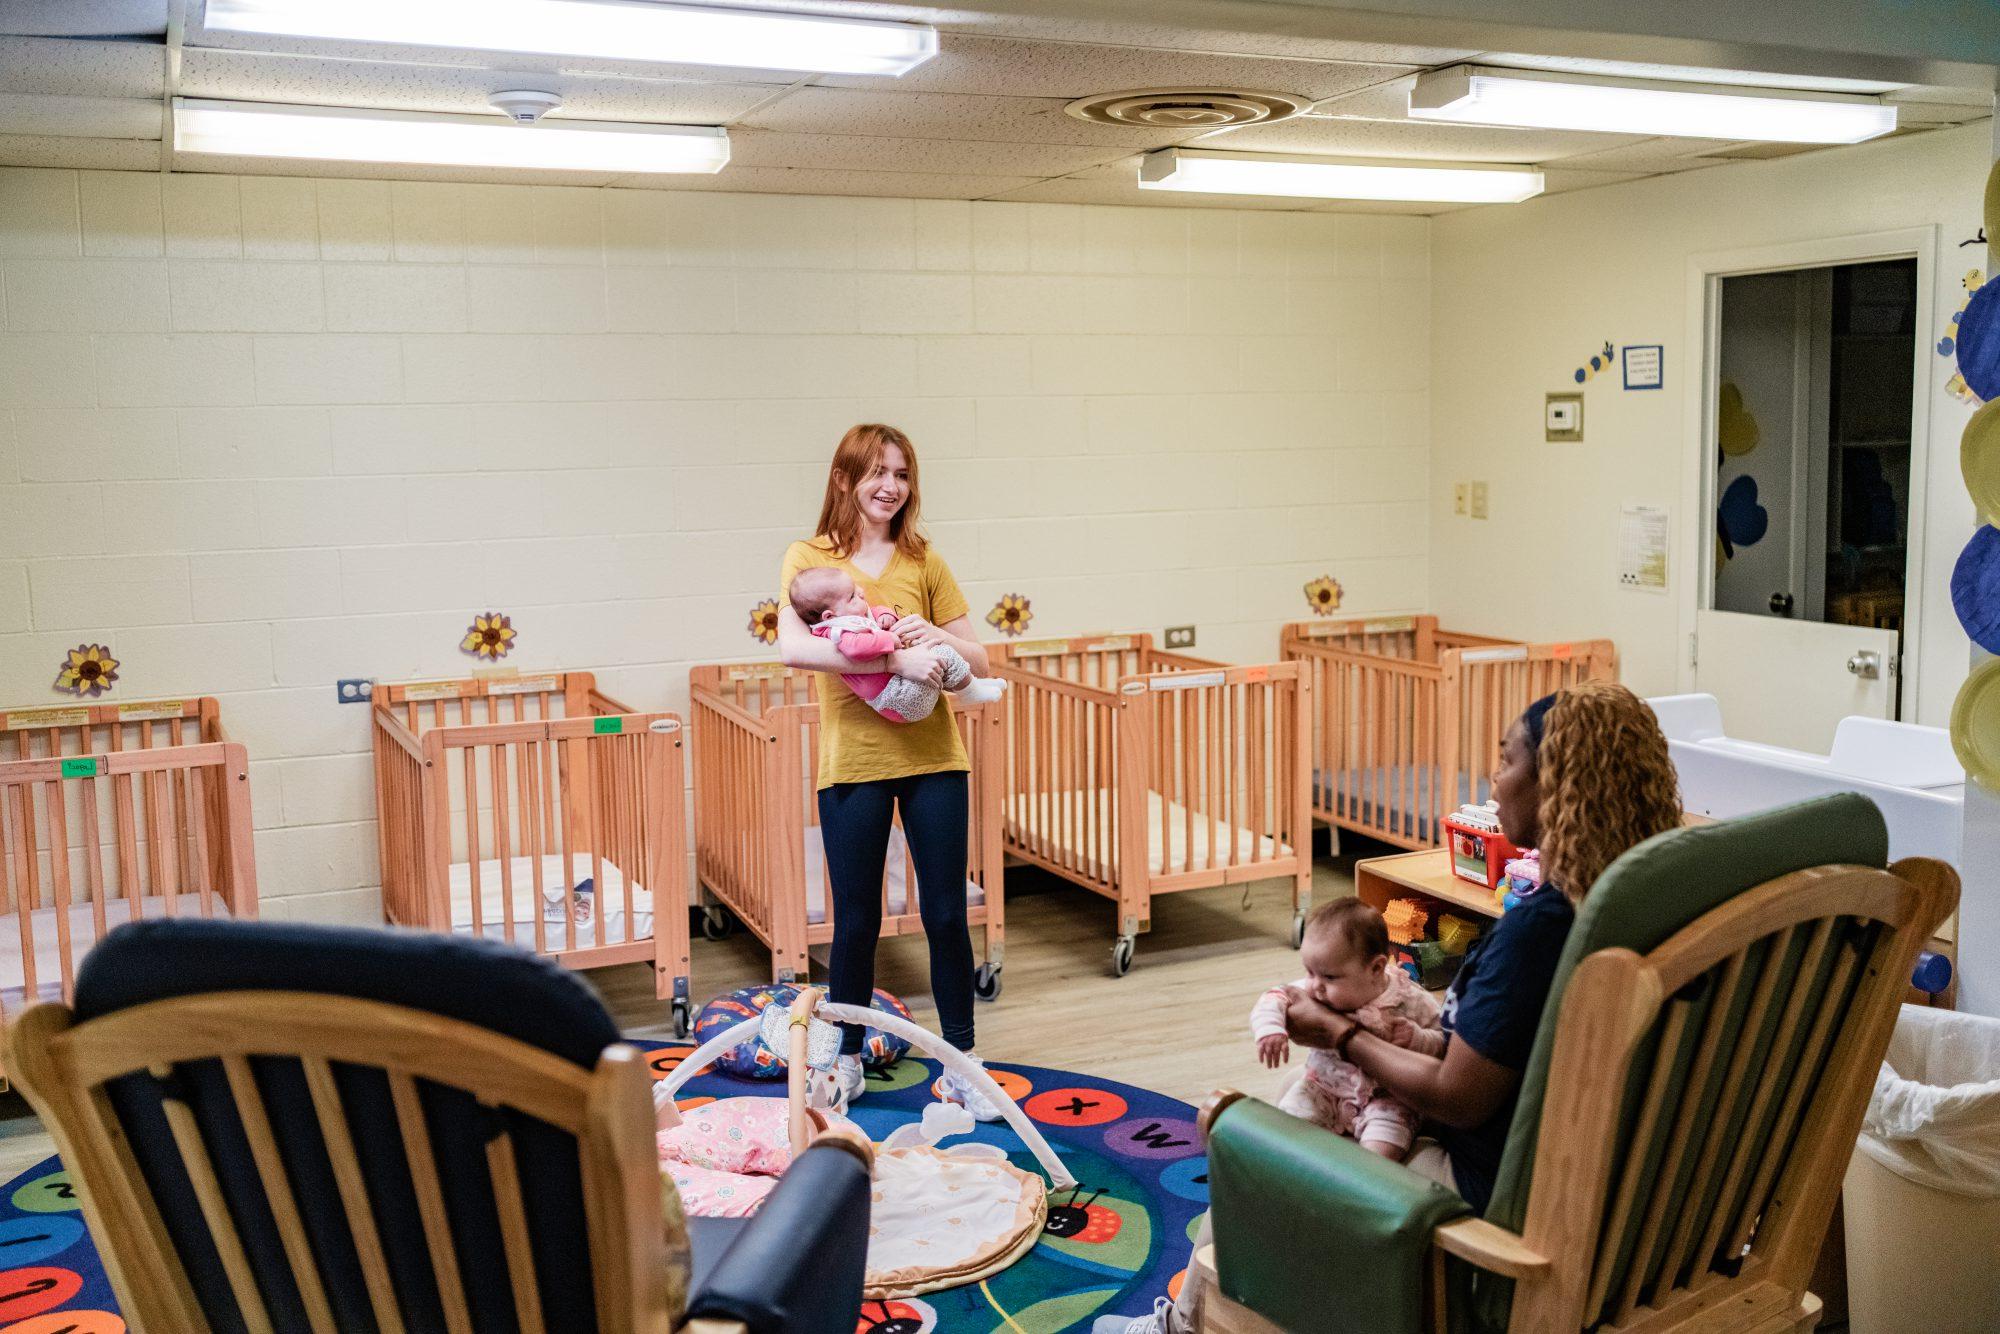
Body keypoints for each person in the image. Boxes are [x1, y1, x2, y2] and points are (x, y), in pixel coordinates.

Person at [1115, 679, 1681, 1334]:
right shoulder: (1642, 903)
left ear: (1555, 784)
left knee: (1254, 1156)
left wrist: (1337, 1032)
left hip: (1506, 1206)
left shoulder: (1542, 931)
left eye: (1505, 760)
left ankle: (1180, 1330)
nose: (1493, 783)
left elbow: (1459, 1096)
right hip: (1624, 1191)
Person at [776, 423, 1004, 1119]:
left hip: (934, 757)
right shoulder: (807, 559)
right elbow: (794, 649)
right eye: (877, 471)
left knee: (944, 915)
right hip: (855, 764)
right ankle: (843, 1060)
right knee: (855, 923)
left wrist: (930, 639)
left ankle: (962, 1065)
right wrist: (891, 661)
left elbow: (983, 660)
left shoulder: (923, 559)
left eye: (902, 473)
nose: (891, 486)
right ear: (845, 478)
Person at [1250, 898, 1442, 1161]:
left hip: (1386, 1097)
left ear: (1376, 968)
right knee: (1285, 1127)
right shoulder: (1316, 992)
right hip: (1323, 1087)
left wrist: (1419, 1040)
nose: (1315, 985)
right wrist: (1270, 1029)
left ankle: (1359, 1181)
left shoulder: (1409, 998)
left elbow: (1443, 1041)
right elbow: (1276, 996)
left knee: (1386, 1144)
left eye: (1329, 977)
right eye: (1309, 972)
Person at [787, 566, 1005, 723]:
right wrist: (889, 639)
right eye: (853, 595)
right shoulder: (837, 631)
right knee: (941, 653)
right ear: (829, 614)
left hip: (902, 691)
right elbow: (856, 648)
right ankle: (970, 692)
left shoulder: (852, 616)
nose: (861, 592)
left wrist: (886, 617)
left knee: (939, 653)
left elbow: (876, 612)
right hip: (897, 699)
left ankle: (972, 687)